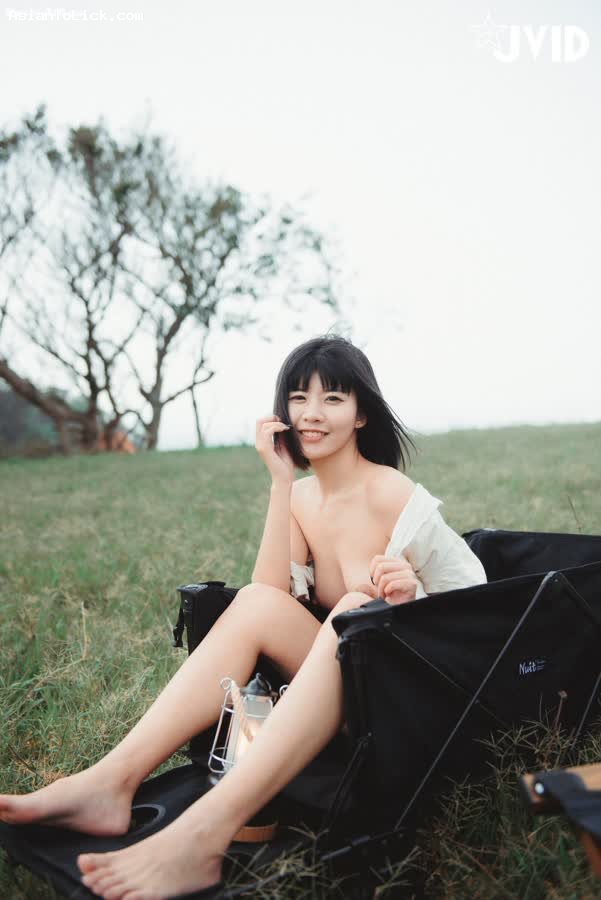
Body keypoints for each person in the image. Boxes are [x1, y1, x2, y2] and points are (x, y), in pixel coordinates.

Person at [0, 334, 487, 900]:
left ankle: (203, 836)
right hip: (352, 685)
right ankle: (111, 782)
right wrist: (280, 483)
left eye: (332, 399)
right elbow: (266, 598)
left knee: (356, 609)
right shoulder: (303, 498)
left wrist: (413, 598)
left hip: (416, 699)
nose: (312, 413)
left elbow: (479, 607)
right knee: (259, 602)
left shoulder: (392, 493)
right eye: (299, 398)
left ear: (361, 415)